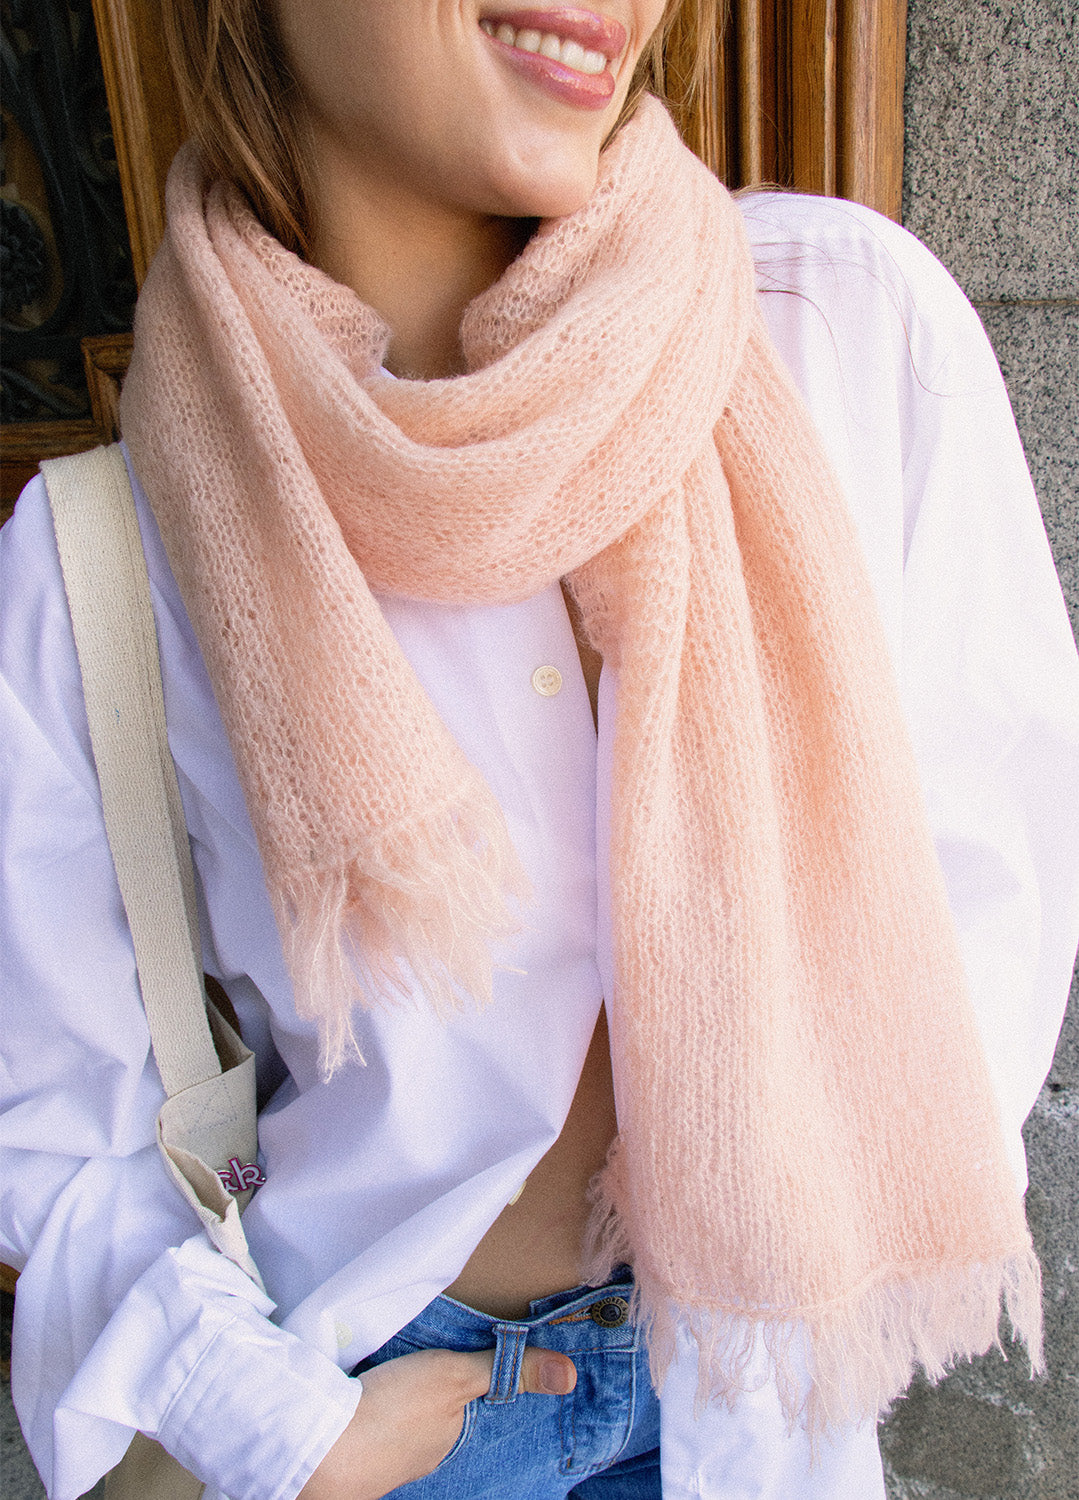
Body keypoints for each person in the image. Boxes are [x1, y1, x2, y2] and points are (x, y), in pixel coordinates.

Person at [2, 1, 1078, 1497]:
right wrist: (280, 1428)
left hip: (756, 1395)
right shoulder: (98, 568)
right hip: (381, 1402)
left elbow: (995, 884)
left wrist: (810, 1241)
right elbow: (54, 1119)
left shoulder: (842, 326)